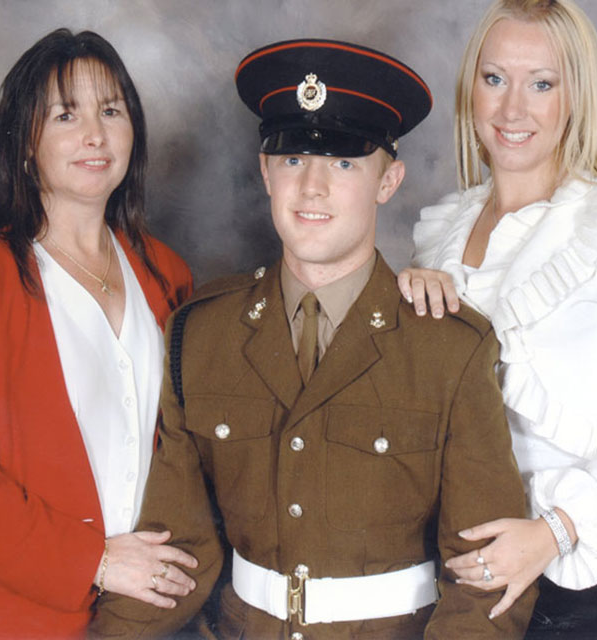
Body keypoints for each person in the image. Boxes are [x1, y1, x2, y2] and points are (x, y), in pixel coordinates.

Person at [91, 39, 537, 639]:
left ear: (389, 181)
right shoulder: (200, 335)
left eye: (345, 163)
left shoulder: (448, 348)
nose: (313, 187)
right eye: (294, 159)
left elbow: (487, 578)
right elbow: (176, 555)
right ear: (265, 172)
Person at [396, 1, 597, 638]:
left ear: (577, 94)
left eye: (542, 84)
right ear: (470, 87)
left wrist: (552, 532)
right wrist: (402, 297)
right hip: (468, 558)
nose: (512, 111)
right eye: (495, 78)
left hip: (588, 564)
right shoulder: (442, 233)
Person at [0, 29, 200, 638]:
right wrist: (93, 561)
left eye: (111, 111)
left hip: (144, 618)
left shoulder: (166, 274)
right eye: (65, 114)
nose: (94, 134)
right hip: (11, 618)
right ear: (25, 143)